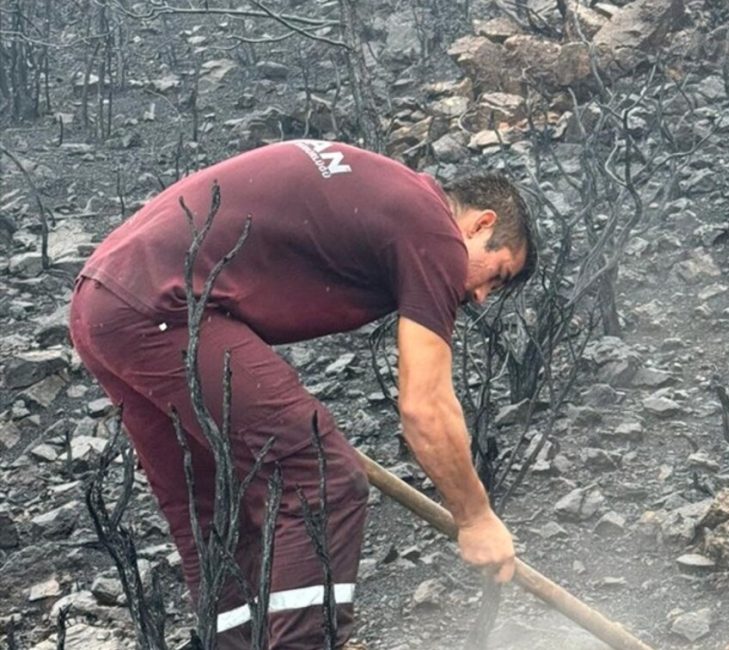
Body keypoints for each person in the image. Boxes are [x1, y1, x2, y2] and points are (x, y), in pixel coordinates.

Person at [67, 139, 536, 648]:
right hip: (162, 309)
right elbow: (426, 408)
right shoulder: (433, 230)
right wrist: (476, 518)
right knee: (319, 476)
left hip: (101, 304)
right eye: (498, 274)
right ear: (481, 224)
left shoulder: (386, 191)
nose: (482, 297)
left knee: (217, 511)